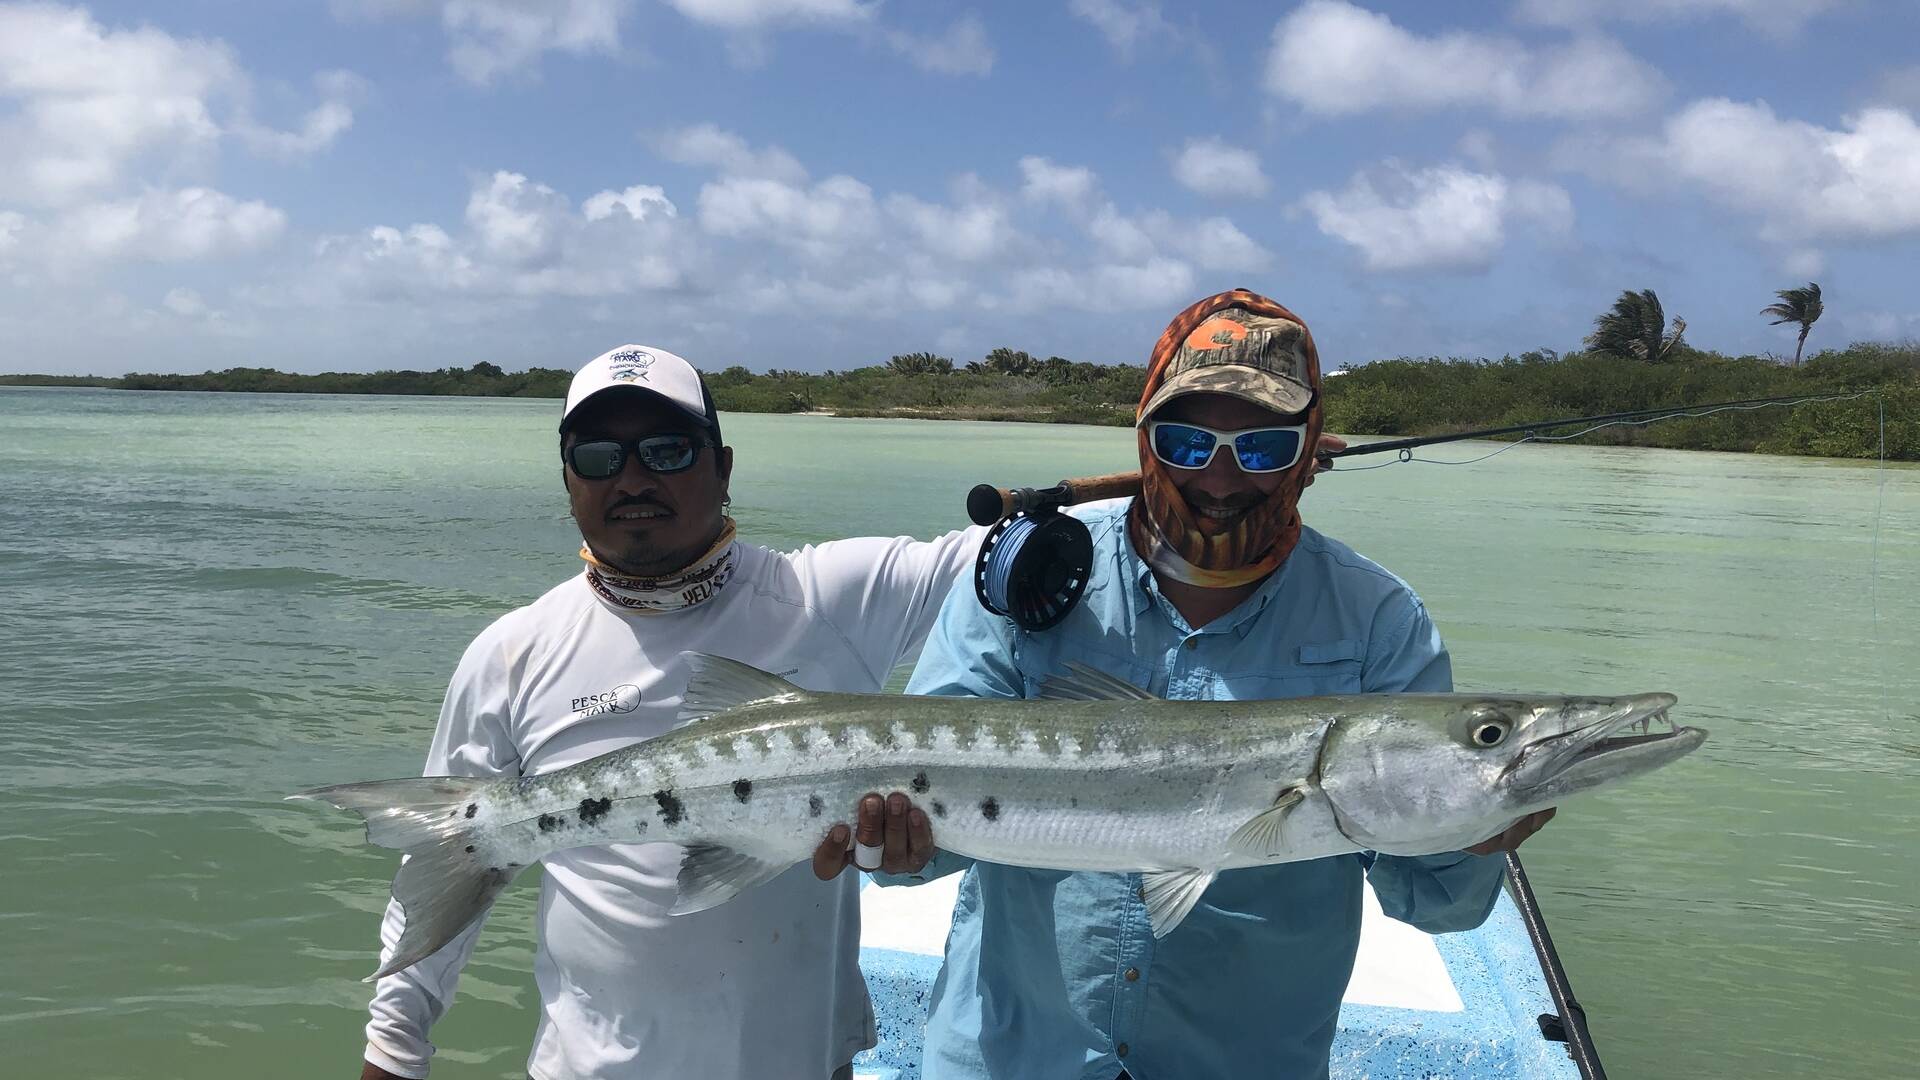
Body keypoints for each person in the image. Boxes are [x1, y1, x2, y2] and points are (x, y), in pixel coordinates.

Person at [873, 289, 1555, 1080]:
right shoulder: (1021, 581)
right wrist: (889, 845)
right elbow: (921, 842)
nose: (1222, 479)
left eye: (1262, 448)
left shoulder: (1377, 618)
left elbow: (1440, 906)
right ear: (1145, 435)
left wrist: (1469, 832)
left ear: (1308, 451)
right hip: (1014, 1055)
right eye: (1187, 443)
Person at [359, 344, 974, 1080]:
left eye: (667, 449)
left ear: (724, 467)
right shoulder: (512, 654)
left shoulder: (827, 600)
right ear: (567, 479)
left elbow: (1005, 552)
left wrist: (1147, 465)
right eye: (598, 457)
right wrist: (393, 1052)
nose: (633, 478)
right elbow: (442, 857)